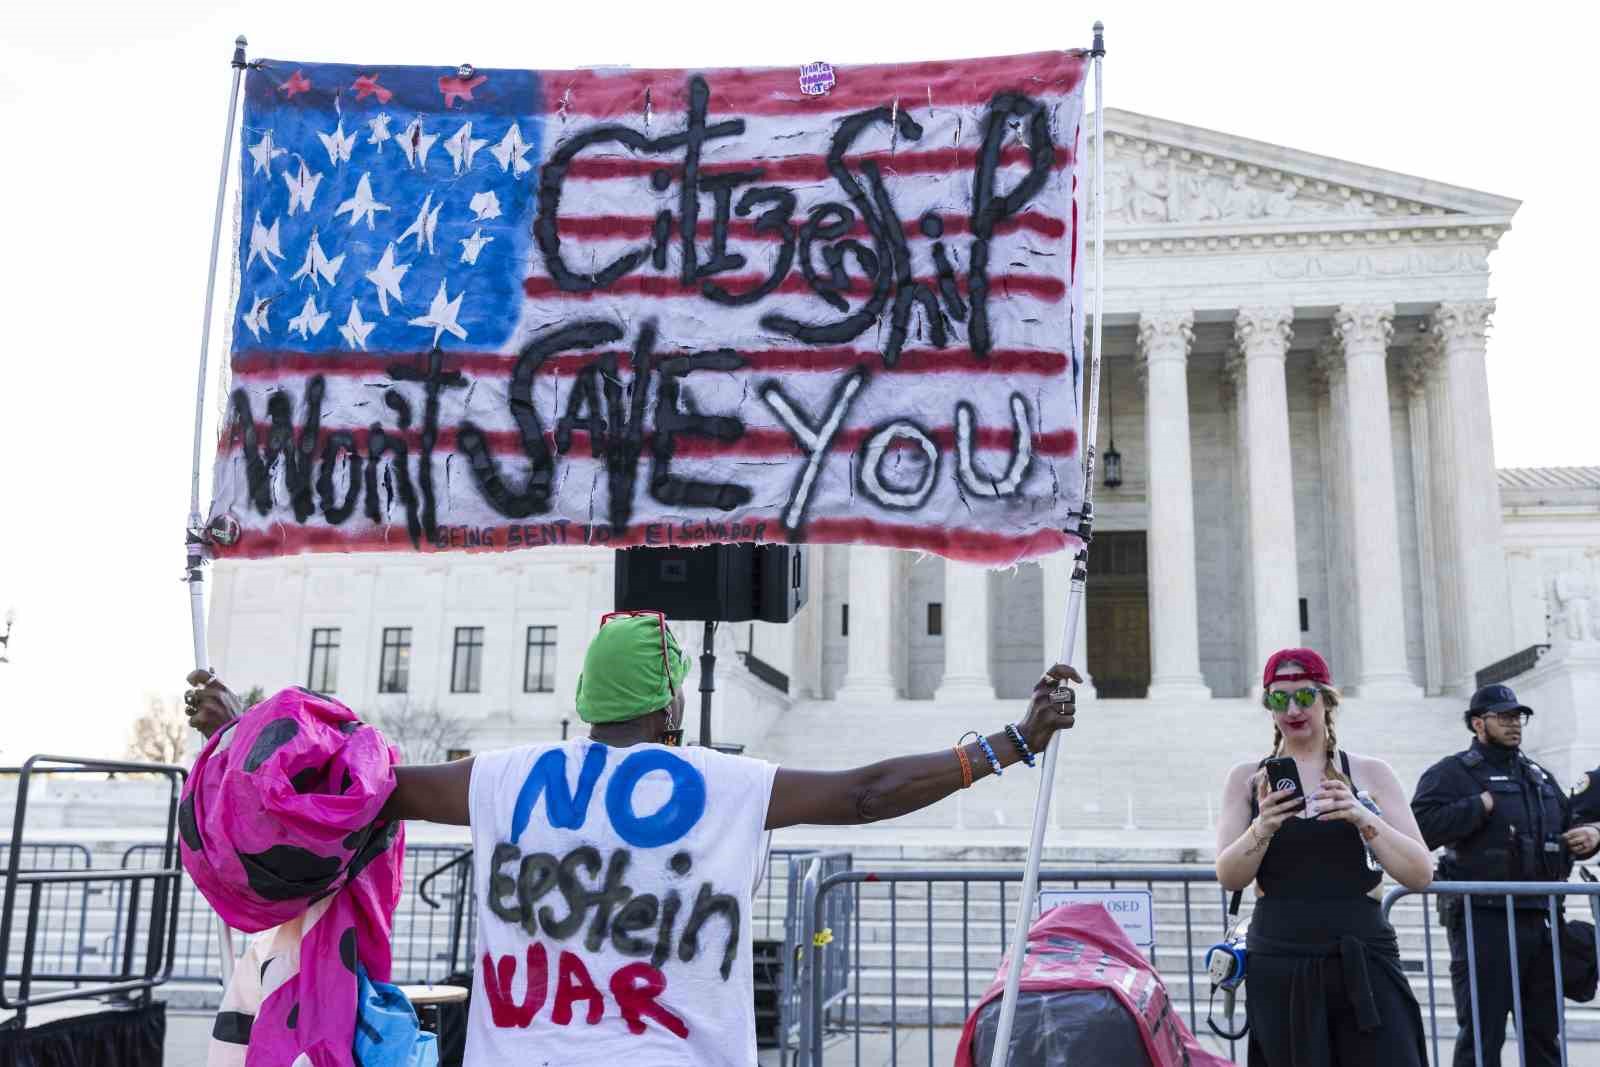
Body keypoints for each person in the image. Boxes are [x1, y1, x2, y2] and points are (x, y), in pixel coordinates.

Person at [184, 610, 1080, 1067]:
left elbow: (355, 787)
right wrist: (1009, 744)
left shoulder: (503, 778)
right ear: (670, 703)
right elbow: (867, 793)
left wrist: (239, 737)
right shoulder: (720, 784)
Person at [1214, 648, 1433, 1067]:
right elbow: (1230, 876)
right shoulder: (1247, 779)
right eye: (1279, 699)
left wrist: (1361, 816)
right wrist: (1264, 825)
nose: (1292, 708)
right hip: (1281, 956)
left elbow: (1420, 873)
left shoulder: (1370, 773)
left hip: (1363, 955)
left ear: (1328, 700)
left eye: (1305, 695)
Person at [1412, 683, 1600, 1067]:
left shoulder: (1539, 777)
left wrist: (1592, 836)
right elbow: (1418, 829)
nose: (1515, 724)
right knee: (1482, 1035)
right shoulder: (1451, 774)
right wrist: (1475, 808)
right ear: (1478, 724)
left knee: (1543, 1035)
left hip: (1541, 920)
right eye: (1505, 717)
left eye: (1519, 717)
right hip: (1484, 920)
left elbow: (1568, 825)